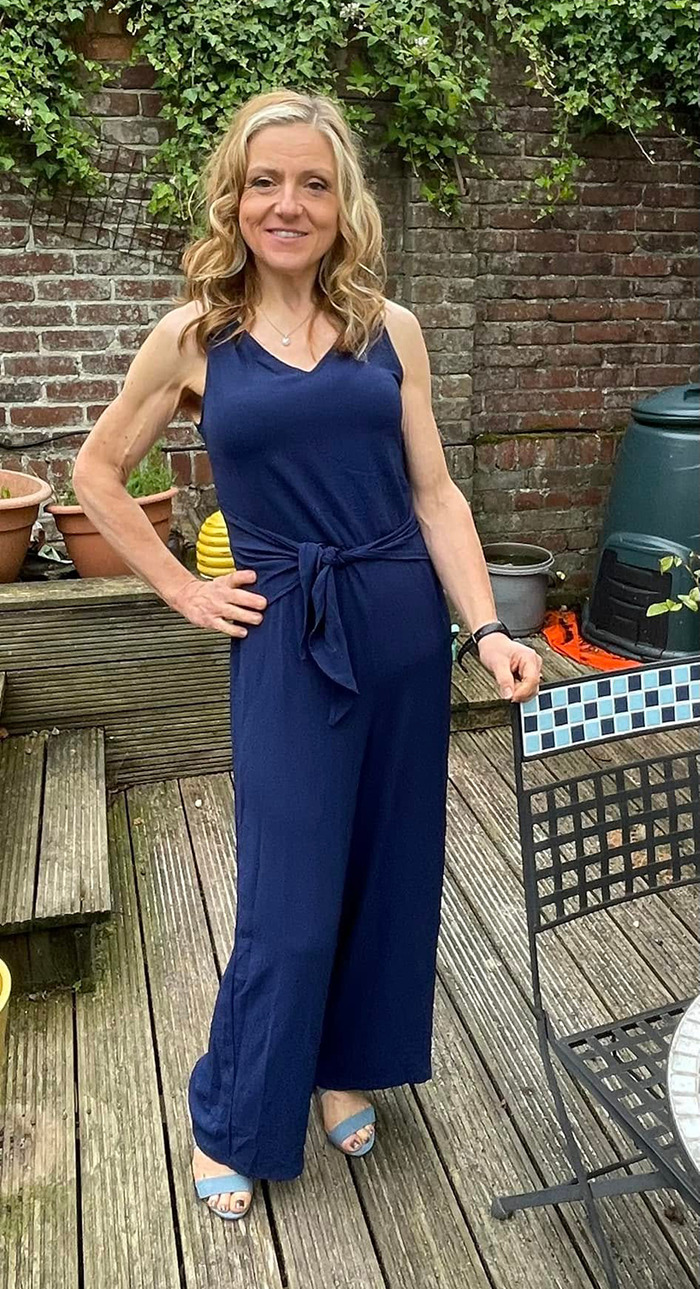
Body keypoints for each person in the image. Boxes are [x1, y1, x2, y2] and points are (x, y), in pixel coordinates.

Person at [72, 88, 542, 1222]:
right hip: (286, 629)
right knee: (288, 895)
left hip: (401, 625)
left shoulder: (392, 329)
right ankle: (235, 1114)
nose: (288, 204)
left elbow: (436, 494)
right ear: (234, 199)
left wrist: (486, 626)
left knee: (389, 870)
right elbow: (95, 473)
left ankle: (344, 1065)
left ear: (343, 205)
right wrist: (183, 587)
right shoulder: (194, 337)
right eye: (265, 182)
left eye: (313, 184)